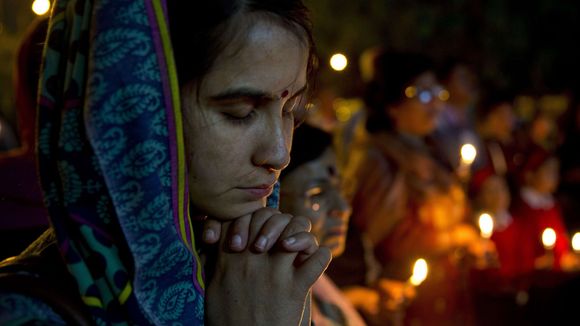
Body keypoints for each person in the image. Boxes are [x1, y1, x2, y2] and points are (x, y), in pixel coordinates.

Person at [0, 0, 331, 325]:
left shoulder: (262, 278)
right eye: (239, 113)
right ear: (139, 112)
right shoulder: (25, 312)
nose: (279, 154)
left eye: (291, 112)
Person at [330, 50, 494, 326]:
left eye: (438, 93)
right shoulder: (378, 159)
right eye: (423, 94)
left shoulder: (433, 149)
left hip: (448, 297)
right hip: (407, 301)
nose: (436, 105)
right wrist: (454, 237)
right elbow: (381, 237)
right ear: (392, 104)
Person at [280, 123, 414, 326]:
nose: (343, 207)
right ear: (272, 199)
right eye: (317, 194)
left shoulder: (326, 271)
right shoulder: (271, 301)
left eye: (342, 189)